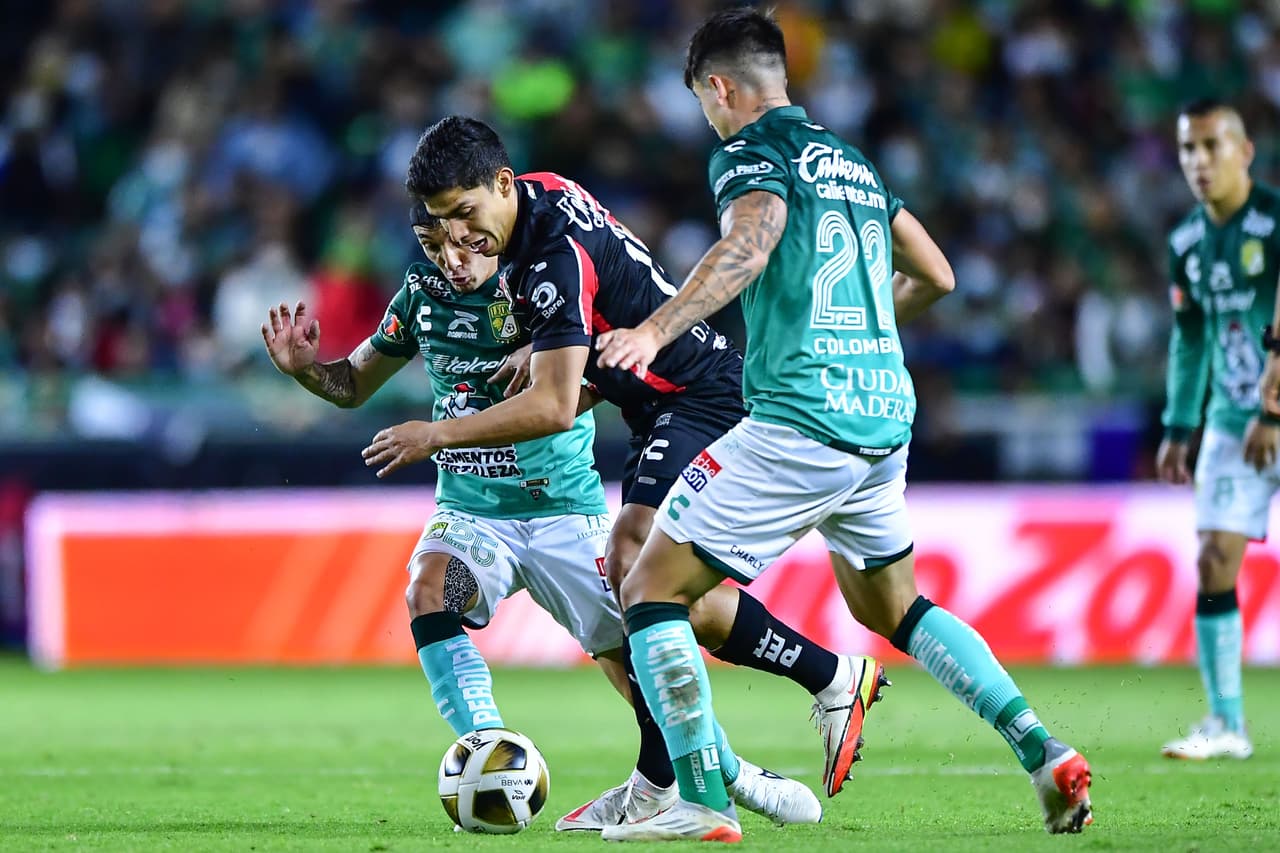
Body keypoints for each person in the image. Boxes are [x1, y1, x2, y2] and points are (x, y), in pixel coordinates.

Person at [593, 8, 1093, 842]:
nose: (707, 119)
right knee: (894, 605)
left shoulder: (749, 152)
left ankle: (702, 800)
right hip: (882, 417)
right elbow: (936, 274)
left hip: (801, 416)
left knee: (647, 587)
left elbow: (749, 247)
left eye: (703, 102)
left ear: (719, 87)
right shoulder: (852, 162)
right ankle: (1043, 750)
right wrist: (863, 333)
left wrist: (653, 330)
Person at [374, 115, 882, 817]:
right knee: (655, 590)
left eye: (464, 216)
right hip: (649, 402)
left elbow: (555, 406)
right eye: (439, 228)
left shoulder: (547, 257)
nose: (458, 239)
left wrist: (436, 433)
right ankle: (785, 708)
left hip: (693, 394)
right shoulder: (543, 198)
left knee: (641, 572)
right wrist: (565, 345)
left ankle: (693, 779)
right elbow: (602, 294)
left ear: (502, 184)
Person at [262, 205, 821, 831]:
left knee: (639, 665)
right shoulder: (420, 296)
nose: (451, 260)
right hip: (473, 512)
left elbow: (595, 375)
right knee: (428, 590)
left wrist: (542, 361)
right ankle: (488, 747)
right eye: (432, 246)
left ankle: (726, 770)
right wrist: (306, 370)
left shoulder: (541, 281)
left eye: (460, 244)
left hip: (566, 513)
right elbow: (353, 383)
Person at [1156, 98, 1273, 761]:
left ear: (1244, 151)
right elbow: (1190, 337)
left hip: (1271, 413)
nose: (1199, 161)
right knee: (1213, 560)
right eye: (1187, 149)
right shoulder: (1185, 243)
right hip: (1231, 420)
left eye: (1211, 145)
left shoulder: (1274, 222)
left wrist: (1274, 409)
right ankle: (1226, 722)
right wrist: (1179, 424)